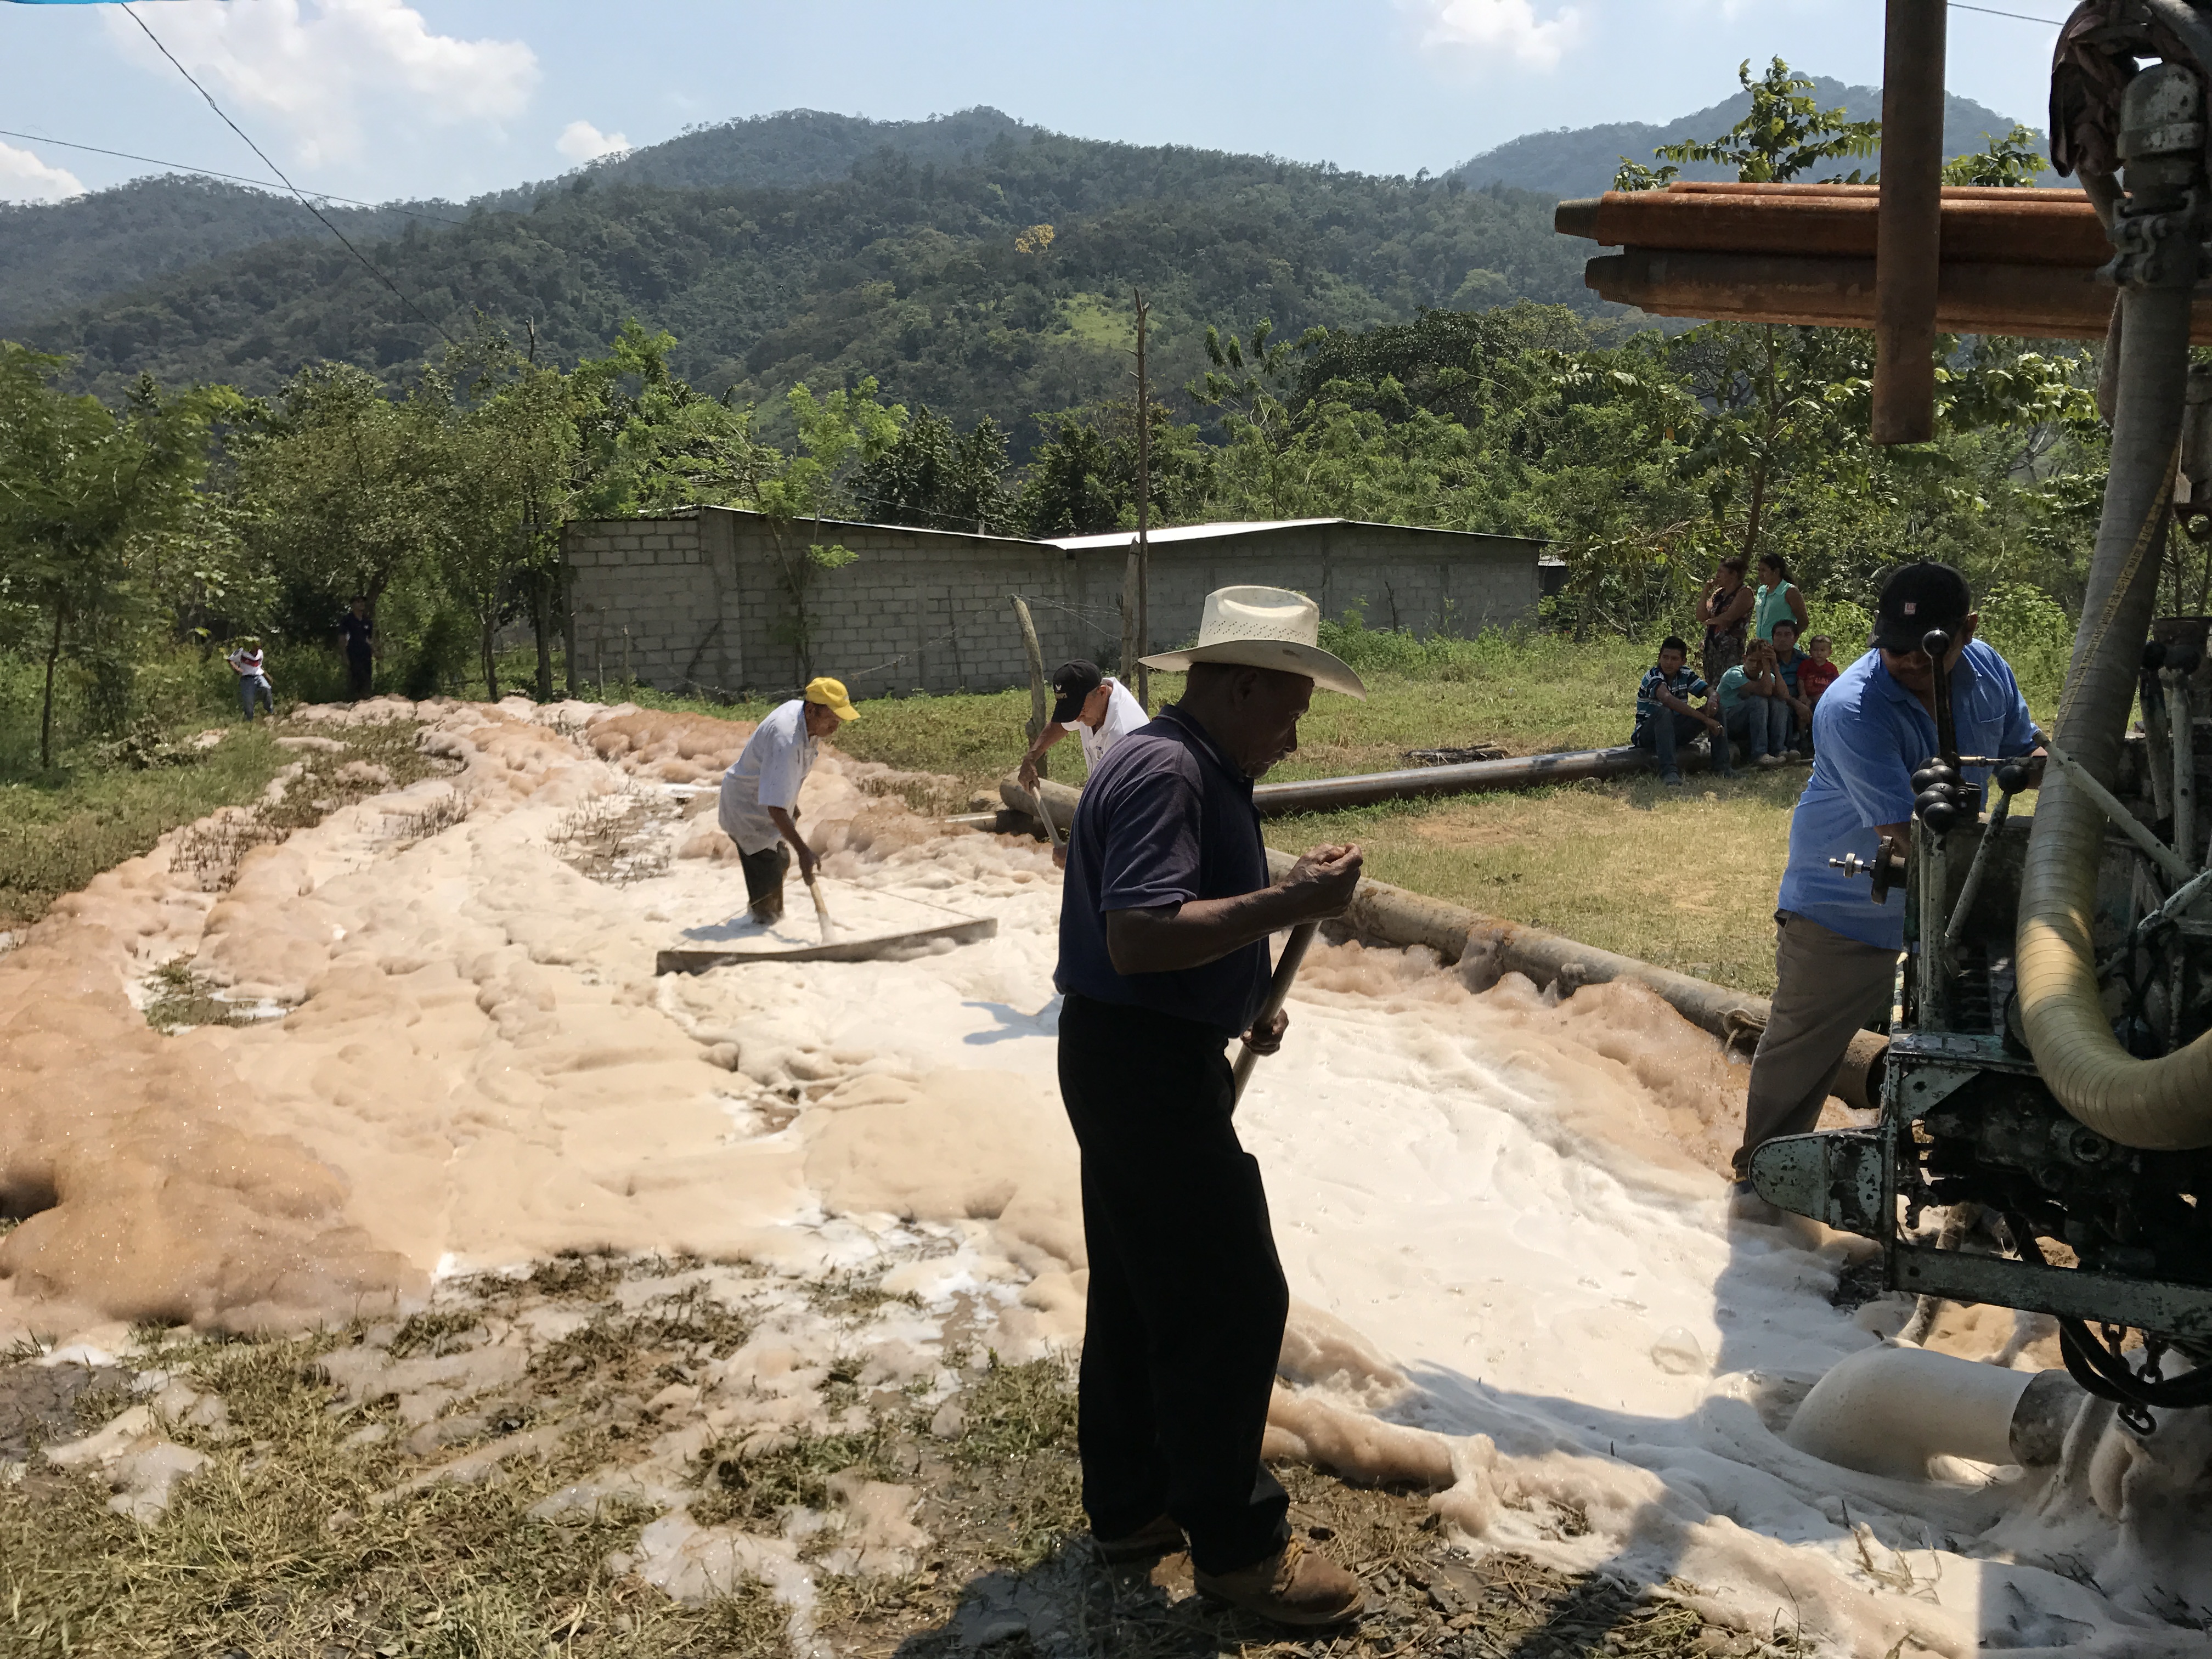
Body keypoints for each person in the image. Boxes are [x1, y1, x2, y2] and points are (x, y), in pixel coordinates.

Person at [1056, 585, 1369, 1628]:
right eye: (1287, 710)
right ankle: (1237, 1551)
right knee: (1230, 1298)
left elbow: (1174, 934)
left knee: (1145, 1287)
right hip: (1142, 1068)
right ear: (1237, 685)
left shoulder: (1197, 763)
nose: (1293, 734)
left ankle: (1131, 1504)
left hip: (1141, 1050)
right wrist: (1292, 903)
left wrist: (1238, 1001)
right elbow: (1140, 934)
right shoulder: (1169, 771)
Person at [1733, 563, 2041, 1198]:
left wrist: (2038, 768)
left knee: (1986, 1037)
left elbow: (2028, 751)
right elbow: (1905, 836)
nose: (1903, 661)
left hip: (1956, 905)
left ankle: (1980, 1182)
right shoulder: (1852, 707)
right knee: (1802, 1048)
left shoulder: (1989, 672)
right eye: (1892, 648)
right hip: (1845, 905)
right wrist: (1945, 819)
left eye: (1922, 648)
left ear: (1968, 632)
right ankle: (1762, 1186)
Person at [716, 676, 859, 924]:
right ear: (812, 709)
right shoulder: (787, 738)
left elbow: (779, 781)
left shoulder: (803, 715)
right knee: (769, 868)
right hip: (747, 811)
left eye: (839, 721)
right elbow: (775, 808)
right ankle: (761, 932)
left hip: (759, 800)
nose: (835, 727)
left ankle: (758, 920)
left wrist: (792, 803)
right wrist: (805, 852)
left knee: (780, 860)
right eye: (832, 720)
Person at [1019, 659, 1148, 792]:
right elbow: (1060, 725)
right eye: (1071, 712)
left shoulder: (1125, 736)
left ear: (1102, 692)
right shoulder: (1094, 694)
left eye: (1080, 710)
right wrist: (1031, 757)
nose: (1076, 718)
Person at [1633, 635, 1730, 787]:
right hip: (1649, 734)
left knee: (1716, 709)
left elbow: (1709, 690)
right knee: (1665, 712)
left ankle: (1722, 766)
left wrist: (1712, 698)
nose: (1669, 663)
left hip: (1676, 730)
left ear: (1683, 661)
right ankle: (1669, 771)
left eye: (1674, 659)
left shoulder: (1685, 673)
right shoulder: (1653, 676)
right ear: (1659, 658)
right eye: (1665, 657)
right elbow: (1668, 700)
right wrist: (1705, 720)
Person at [1715, 639, 1792, 769]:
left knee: (1779, 703)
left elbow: (1784, 695)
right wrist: (1767, 667)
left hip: (1749, 723)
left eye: (1760, 662)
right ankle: (1759, 754)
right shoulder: (1734, 674)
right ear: (1744, 658)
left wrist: (1774, 667)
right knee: (1759, 701)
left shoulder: (1765, 675)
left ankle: (1779, 750)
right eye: (1752, 661)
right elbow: (1765, 691)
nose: (1755, 666)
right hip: (1728, 721)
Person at [1697, 556, 1754, 688]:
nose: (1717, 576)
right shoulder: (1718, 594)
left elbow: (1729, 617)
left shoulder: (1745, 592)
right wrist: (1705, 592)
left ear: (1733, 575)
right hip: (1712, 647)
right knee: (1711, 686)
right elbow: (1702, 616)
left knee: (1727, 685)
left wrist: (1710, 622)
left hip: (1730, 649)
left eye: (1721, 572)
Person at [1769, 619, 1815, 757]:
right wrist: (1796, 704)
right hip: (1778, 701)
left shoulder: (1804, 660)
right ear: (1773, 638)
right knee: (1782, 707)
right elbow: (1772, 691)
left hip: (1801, 699)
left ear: (1796, 639)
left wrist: (1807, 699)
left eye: (1788, 635)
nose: (1782, 639)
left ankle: (1813, 745)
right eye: (1778, 635)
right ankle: (1789, 747)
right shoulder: (1767, 660)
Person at [1751, 552, 1809, 643]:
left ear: (1776, 572)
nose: (1760, 574)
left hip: (1783, 649)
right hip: (1762, 647)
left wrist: (1789, 640)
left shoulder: (1789, 591)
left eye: (1764, 571)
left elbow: (1804, 622)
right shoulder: (1761, 591)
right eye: (1759, 570)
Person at [337, 597, 375, 701]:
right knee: (357, 678)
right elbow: (342, 638)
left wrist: (375, 651)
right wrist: (344, 655)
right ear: (353, 605)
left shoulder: (367, 621)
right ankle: (354, 702)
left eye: (363, 602)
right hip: (353, 654)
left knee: (367, 678)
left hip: (366, 655)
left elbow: (369, 639)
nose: (361, 604)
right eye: (358, 602)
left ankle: (366, 702)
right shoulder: (347, 620)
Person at [228, 637, 275, 720]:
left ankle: (269, 711)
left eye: (258, 645)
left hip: (259, 676)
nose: (257, 647)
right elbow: (230, 660)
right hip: (247, 678)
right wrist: (236, 668)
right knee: (248, 700)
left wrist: (267, 676)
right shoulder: (242, 651)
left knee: (267, 688)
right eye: (255, 645)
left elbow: (259, 666)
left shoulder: (260, 653)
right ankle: (249, 720)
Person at [1797, 633, 1841, 714]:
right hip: (1808, 696)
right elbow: (1801, 680)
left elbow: (1836, 684)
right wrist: (1802, 694)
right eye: (1815, 650)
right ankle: (1801, 727)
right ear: (1810, 651)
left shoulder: (1832, 668)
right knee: (1804, 708)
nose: (1819, 653)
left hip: (1824, 696)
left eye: (1822, 650)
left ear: (1829, 653)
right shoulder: (1806, 665)